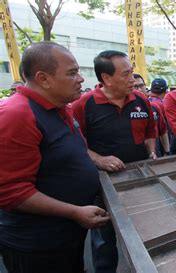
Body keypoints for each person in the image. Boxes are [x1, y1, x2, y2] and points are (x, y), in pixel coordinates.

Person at [0, 41, 110, 273]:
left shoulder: (63, 108)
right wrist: (74, 211)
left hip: (66, 236)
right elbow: (11, 192)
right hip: (37, 246)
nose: (81, 79)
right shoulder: (17, 115)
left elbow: (74, 153)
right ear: (43, 79)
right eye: (72, 73)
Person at [72, 50, 157, 273]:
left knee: (147, 229)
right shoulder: (83, 104)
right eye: (126, 74)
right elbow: (74, 144)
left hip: (140, 179)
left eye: (132, 73)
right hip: (102, 184)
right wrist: (99, 159)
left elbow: (150, 130)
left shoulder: (141, 100)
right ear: (106, 78)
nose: (133, 80)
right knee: (104, 240)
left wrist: (151, 150)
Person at [149, 78, 171, 156]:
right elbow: (164, 130)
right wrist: (167, 151)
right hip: (158, 143)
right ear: (165, 92)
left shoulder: (143, 102)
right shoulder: (163, 105)